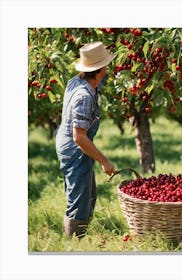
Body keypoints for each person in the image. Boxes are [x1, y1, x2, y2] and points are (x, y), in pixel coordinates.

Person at [55, 42, 116, 238]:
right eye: (106, 65)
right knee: (79, 201)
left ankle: (80, 236)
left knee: (88, 194)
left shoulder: (78, 81)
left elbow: (101, 78)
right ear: (100, 70)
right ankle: (74, 243)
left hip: (67, 142)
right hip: (75, 148)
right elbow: (79, 136)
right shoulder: (84, 96)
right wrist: (104, 161)